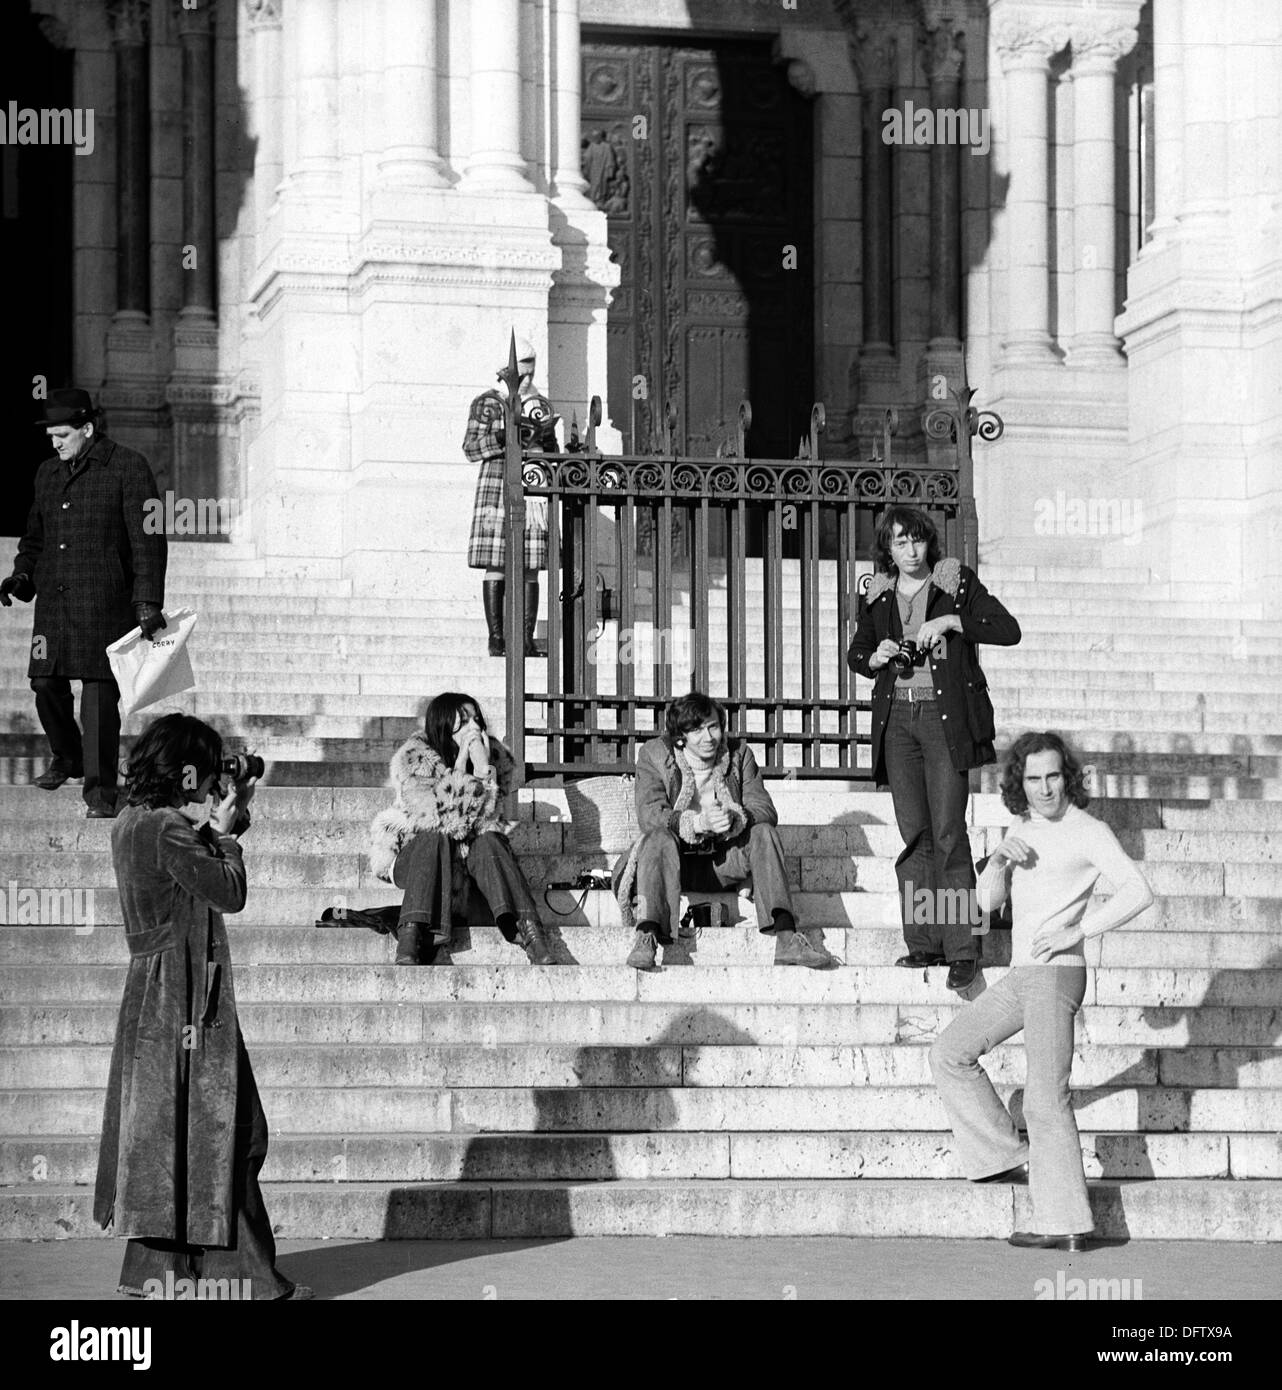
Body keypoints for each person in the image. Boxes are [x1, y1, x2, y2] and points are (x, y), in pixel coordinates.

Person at [93, 713, 309, 1300]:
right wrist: (230, 835)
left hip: (158, 993)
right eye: (209, 770)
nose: (216, 779)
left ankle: (156, 1274)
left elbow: (191, 873)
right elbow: (227, 891)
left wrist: (216, 827)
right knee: (234, 1131)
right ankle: (242, 1278)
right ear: (187, 773)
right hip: (184, 995)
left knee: (174, 1136)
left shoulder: (134, 821)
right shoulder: (165, 828)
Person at [929, 731, 1155, 1251]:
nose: (1045, 788)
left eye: (1053, 776)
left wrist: (1081, 930)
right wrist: (998, 862)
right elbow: (986, 905)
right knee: (950, 1052)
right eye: (1034, 779)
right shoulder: (1022, 825)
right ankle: (1002, 1155)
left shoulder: (1089, 830)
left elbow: (1139, 890)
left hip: (1057, 974)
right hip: (1022, 973)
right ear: (1020, 783)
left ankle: (1067, 1222)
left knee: (1045, 1098)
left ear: (1067, 776)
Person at [848, 506, 1020, 992]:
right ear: (887, 549)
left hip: (944, 720)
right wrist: (875, 655)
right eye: (899, 543)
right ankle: (923, 942)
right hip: (898, 720)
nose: (910, 551)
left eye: (917, 541)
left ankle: (964, 950)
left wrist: (952, 621)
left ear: (929, 543)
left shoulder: (955, 584)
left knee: (949, 833)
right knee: (915, 835)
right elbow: (856, 652)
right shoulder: (879, 594)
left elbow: (1007, 629)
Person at [0, 388, 167, 818]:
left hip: (105, 602)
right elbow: (35, 536)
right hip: (54, 604)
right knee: (43, 684)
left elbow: (148, 540)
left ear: (87, 429)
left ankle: (100, 793)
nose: (55, 443)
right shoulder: (46, 474)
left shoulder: (129, 467)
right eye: (51, 436)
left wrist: (147, 600)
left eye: (62, 435)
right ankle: (68, 756)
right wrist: (21, 575)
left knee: (97, 701)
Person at [614, 692, 838, 971]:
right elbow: (650, 815)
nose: (708, 737)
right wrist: (697, 823)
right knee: (656, 837)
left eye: (713, 726)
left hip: (725, 862)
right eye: (696, 730)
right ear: (680, 736)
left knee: (764, 832)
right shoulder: (654, 754)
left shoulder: (740, 754)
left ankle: (787, 937)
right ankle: (646, 935)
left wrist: (734, 818)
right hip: (676, 861)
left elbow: (765, 808)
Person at [368, 692, 555, 966]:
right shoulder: (416, 759)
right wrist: (460, 767)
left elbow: (486, 826)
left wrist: (483, 771)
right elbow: (444, 822)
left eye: (477, 720)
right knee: (435, 839)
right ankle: (411, 936)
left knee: (490, 841)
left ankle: (531, 933)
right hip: (416, 856)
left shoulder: (494, 762)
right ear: (445, 726)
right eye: (465, 722)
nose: (475, 728)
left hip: (464, 864)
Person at [465, 337, 559, 658]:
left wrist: (546, 438)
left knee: (530, 563)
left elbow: (553, 454)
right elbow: (471, 447)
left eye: (531, 374)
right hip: (497, 487)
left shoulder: (540, 404)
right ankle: (496, 637)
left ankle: (526, 638)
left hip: (531, 489)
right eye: (522, 374)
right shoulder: (488, 403)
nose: (528, 381)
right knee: (497, 563)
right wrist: (502, 436)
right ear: (505, 372)